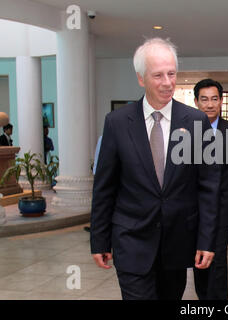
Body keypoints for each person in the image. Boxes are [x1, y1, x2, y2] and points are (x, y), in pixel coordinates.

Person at [90, 38, 220, 300]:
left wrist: (206, 240)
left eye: (171, 73)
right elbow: (105, 187)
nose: (167, 82)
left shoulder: (196, 121)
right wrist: (100, 239)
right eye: (158, 75)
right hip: (131, 240)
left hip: (177, 243)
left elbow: (209, 186)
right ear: (141, 79)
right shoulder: (117, 123)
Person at [193, 78, 228, 300]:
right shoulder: (185, 132)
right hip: (193, 210)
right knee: (198, 259)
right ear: (196, 102)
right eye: (204, 99)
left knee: (217, 258)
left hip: (223, 208)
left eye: (214, 99)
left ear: (221, 101)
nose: (209, 104)